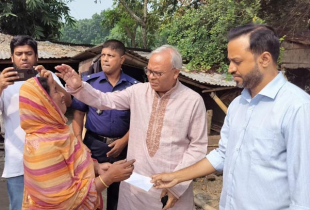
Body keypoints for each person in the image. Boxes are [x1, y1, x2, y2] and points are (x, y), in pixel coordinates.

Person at [151, 24, 310, 210]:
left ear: (265, 59)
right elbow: (223, 155)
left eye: (237, 61)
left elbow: (304, 195)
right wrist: (177, 176)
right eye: (230, 61)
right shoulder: (237, 105)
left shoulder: (297, 108)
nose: (230, 69)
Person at [55, 45, 208, 210]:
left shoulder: (192, 101)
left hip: (171, 186)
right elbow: (105, 100)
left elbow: (197, 147)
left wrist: (176, 185)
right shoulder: (137, 91)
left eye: (158, 73)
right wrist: (78, 87)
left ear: (176, 73)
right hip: (136, 183)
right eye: (148, 71)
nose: (151, 77)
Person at [0, 35, 71, 210]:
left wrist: (53, 83)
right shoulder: (2, 81)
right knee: (19, 206)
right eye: (19, 53)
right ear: (12, 57)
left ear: (36, 57)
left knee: (54, 205)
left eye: (28, 53)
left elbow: (67, 102)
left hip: (52, 157)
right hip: (18, 159)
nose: (24, 58)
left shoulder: (47, 76)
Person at [19, 73, 135, 210]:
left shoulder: (58, 132)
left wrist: (96, 168)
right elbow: (65, 201)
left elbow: (71, 166)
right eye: (55, 91)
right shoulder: (43, 148)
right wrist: (108, 178)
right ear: (45, 103)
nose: (62, 95)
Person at [72, 39, 138, 210]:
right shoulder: (88, 83)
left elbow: (139, 120)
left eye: (111, 56)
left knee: (119, 192)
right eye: (103, 55)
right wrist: (79, 142)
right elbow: (78, 114)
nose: (105, 59)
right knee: (88, 188)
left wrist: (124, 141)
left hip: (122, 147)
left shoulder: (134, 87)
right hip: (93, 144)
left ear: (122, 59)